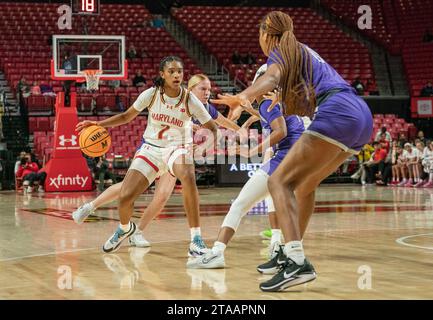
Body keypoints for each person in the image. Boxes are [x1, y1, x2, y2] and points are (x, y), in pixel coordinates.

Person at [195, 11, 373, 291]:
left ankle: (297, 261)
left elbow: (270, 77)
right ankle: (292, 255)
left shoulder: (281, 51)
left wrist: (244, 96)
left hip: (337, 111)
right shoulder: (302, 52)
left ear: (267, 34)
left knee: (278, 181)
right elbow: (303, 103)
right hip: (361, 115)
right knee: (306, 185)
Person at [72, 72, 241, 253]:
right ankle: (90, 206)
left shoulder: (204, 107)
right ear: (191, 89)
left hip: (176, 152)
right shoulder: (176, 97)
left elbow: (222, 124)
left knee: (161, 197)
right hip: (155, 147)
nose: (208, 93)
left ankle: (137, 232)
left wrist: (241, 129)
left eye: (209, 89)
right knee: (127, 189)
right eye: (203, 89)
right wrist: (190, 126)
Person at [187, 65, 307, 274]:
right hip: (301, 158)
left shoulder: (267, 100)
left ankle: (217, 252)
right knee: (284, 206)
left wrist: (253, 152)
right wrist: (246, 110)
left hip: (285, 158)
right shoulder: (279, 100)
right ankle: (286, 253)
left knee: (240, 205)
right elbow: (271, 119)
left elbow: (281, 131)